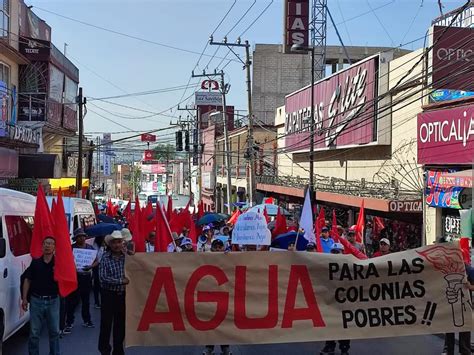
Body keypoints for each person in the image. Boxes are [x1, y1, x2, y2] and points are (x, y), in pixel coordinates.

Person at [22, 237, 61, 355]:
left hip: (53, 300)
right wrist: (24, 299)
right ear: (42, 246)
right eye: (45, 243)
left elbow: (69, 276)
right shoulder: (35, 262)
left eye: (50, 244)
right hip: (36, 301)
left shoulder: (58, 264)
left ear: (54, 247)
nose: (47, 246)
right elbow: (27, 280)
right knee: (34, 333)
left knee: (54, 332)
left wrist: (59, 272)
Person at [98, 231, 129, 355]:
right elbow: (103, 278)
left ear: (123, 243)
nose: (117, 245)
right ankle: (104, 350)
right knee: (106, 324)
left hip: (122, 296)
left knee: (120, 325)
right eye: (114, 242)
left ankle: (118, 350)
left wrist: (133, 256)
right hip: (108, 295)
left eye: (119, 242)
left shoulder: (127, 257)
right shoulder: (105, 258)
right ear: (110, 244)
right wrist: (121, 281)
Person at [320, 243, 350, 355]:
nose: (335, 254)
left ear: (343, 253)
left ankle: (344, 348)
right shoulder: (325, 266)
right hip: (331, 301)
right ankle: (329, 346)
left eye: (338, 252)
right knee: (331, 324)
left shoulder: (350, 266)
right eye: (333, 252)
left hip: (345, 302)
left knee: (345, 326)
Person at [65, 228, 97, 333]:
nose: (81, 238)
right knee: (72, 301)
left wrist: (91, 266)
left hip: (86, 276)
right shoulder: (71, 248)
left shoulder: (90, 248)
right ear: (76, 238)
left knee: (86, 300)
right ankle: (69, 322)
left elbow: (97, 261)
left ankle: (87, 320)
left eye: (83, 236)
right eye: (79, 237)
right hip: (74, 277)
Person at [203, 239, 231, 355]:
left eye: (220, 247)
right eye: (216, 247)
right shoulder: (206, 258)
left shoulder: (229, 259)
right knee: (210, 324)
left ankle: (225, 348)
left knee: (224, 324)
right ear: (212, 248)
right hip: (210, 298)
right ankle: (209, 348)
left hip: (224, 297)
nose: (218, 249)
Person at [442, 258, 473, 354]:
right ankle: (448, 349)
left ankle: (464, 350)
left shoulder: (467, 269)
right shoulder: (444, 269)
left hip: (464, 304)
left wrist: (471, 287)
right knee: (449, 326)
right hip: (450, 303)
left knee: (464, 327)